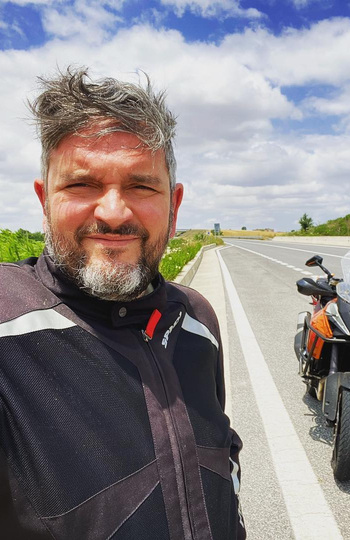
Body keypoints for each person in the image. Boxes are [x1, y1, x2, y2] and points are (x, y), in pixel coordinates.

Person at [0, 67, 245, 540]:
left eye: (141, 186)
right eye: (81, 184)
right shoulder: (8, 325)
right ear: (44, 201)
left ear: (174, 206)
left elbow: (221, 448)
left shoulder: (197, 318)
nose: (113, 213)